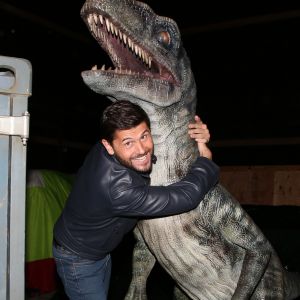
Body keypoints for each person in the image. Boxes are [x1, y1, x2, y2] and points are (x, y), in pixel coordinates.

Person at [53, 100, 219, 300]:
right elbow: (186, 196)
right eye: (128, 143)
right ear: (108, 145)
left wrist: (195, 134)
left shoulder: (110, 144)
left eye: (144, 136)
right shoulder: (119, 190)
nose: (141, 149)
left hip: (98, 249)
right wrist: (205, 159)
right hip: (77, 258)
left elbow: (162, 133)